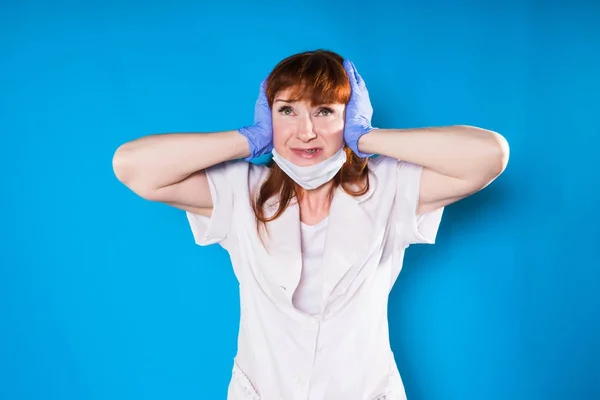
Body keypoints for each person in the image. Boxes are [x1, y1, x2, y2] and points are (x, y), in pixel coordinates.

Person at [112, 49, 510, 400]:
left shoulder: (389, 188)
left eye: (325, 111)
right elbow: (132, 166)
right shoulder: (240, 192)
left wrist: (367, 139)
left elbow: (489, 155)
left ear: (350, 117)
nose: (305, 132)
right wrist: (249, 140)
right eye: (287, 110)